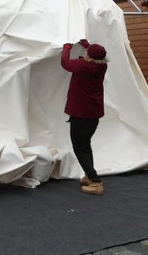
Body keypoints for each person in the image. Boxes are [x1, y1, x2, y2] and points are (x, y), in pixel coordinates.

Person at [60, 38, 108, 195]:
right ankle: (89, 175)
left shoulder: (83, 66)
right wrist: (87, 45)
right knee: (86, 144)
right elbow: (96, 55)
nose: (85, 53)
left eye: (87, 52)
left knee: (79, 147)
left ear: (89, 56)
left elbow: (66, 63)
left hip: (81, 114)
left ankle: (96, 182)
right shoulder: (102, 66)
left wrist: (67, 46)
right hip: (93, 114)